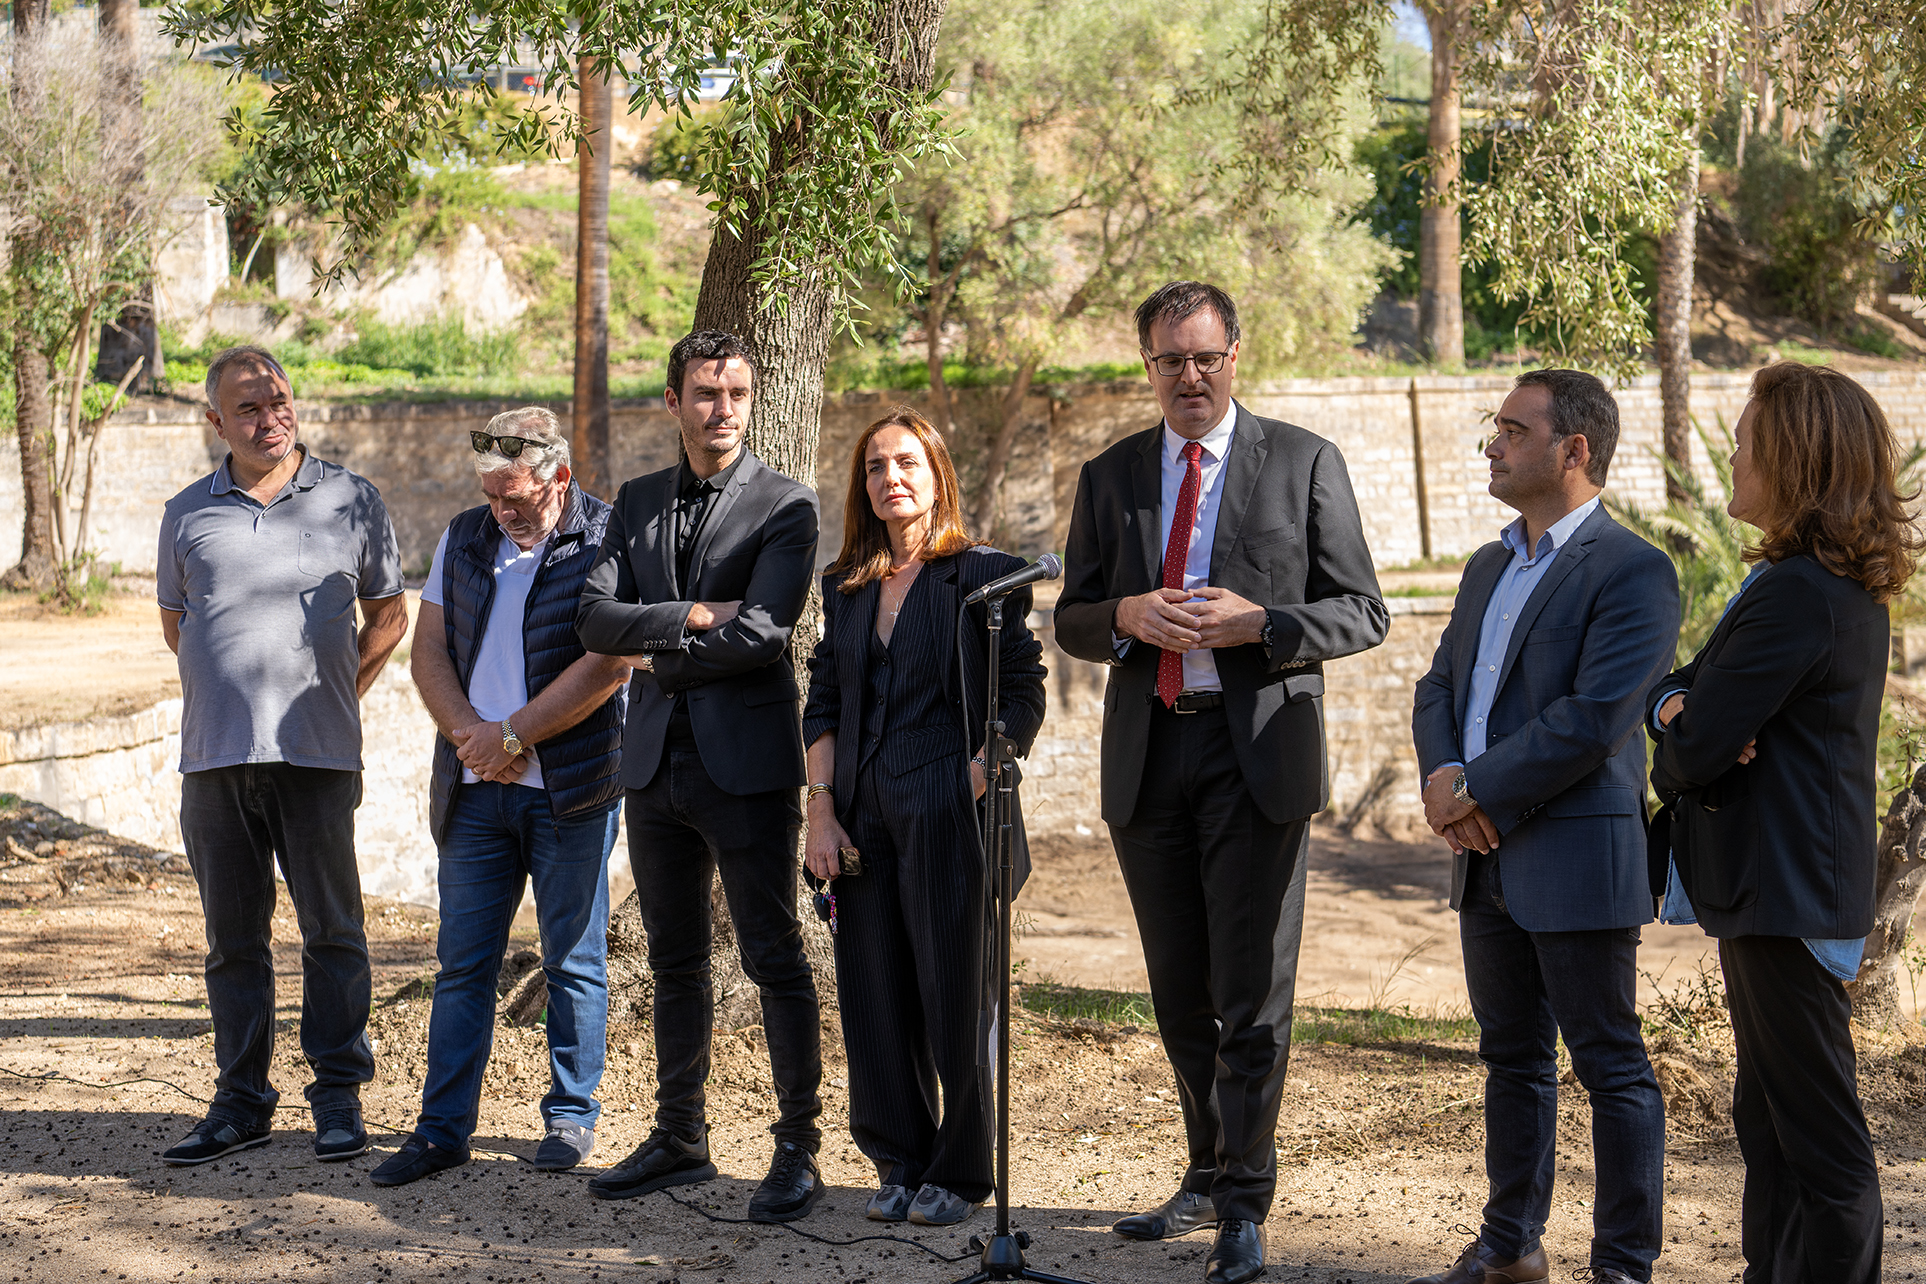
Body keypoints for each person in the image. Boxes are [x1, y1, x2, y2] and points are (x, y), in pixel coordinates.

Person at [1054, 281, 1388, 1284]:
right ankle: (1202, 1169)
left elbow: (1364, 612)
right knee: (1177, 991)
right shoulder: (1112, 475)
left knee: (1252, 994)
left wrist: (1263, 625)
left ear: (1236, 355)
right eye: (1170, 361)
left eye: (1207, 358)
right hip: (1150, 755)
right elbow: (1070, 617)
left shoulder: (1303, 461)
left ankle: (1245, 1202)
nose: (1189, 377)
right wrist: (1124, 613)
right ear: (1146, 366)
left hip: (1257, 758)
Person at [1407, 370, 1679, 1284]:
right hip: (1482, 856)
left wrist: (1474, 789)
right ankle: (1511, 1247)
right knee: (1511, 1059)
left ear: (1575, 450)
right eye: (1496, 428)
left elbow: (1595, 717)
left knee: (1610, 1063)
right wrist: (1446, 782)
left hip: (1575, 851)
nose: (1493, 444)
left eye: (1514, 431)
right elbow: (1439, 686)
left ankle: (1622, 1267)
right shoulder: (1489, 563)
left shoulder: (1635, 569)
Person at [1648, 362, 1914, 1284]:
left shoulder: (1801, 593)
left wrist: (1684, 724)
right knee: (1771, 1128)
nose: (1729, 451)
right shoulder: (1808, 586)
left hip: (1784, 891)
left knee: (1818, 1144)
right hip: (1786, 888)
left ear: (1794, 459)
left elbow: (1693, 748)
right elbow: (1681, 699)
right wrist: (1678, 710)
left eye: (1746, 439)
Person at [575, 330, 826, 1222]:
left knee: (774, 956)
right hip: (650, 768)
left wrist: (659, 654)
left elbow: (766, 631)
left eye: (736, 394)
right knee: (675, 960)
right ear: (674, 400)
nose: (722, 410)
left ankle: (799, 1147)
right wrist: (687, 615)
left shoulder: (786, 505)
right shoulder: (636, 500)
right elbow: (593, 619)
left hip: (748, 768)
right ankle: (680, 1135)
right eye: (706, 394)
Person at [155, 345, 408, 1166]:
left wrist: (331, 697)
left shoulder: (352, 498)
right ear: (214, 422)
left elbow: (389, 617)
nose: (271, 418)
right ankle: (240, 1103)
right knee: (233, 939)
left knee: (333, 931)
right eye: (250, 408)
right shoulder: (187, 513)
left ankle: (337, 1096)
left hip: (319, 756)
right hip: (215, 759)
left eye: (281, 400)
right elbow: (180, 627)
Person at [370, 408, 632, 1187]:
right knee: (462, 965)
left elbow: (609, 662)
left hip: (572, 789)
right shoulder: (465, 534)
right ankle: (442, 1129)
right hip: (476, 790)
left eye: (514, 494)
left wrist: (512, 735)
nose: (500, 509)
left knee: (574, 959)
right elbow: (427, 652)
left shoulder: (606, 535)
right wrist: (469, 738)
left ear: (558, 475)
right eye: (490, 492)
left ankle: (570, 1116)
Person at [800, 408, 1047, 1227]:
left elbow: (1021, 693)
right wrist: (822, 813)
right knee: (873, 994)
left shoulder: (986, 575)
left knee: (953, 997)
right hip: (862, 815)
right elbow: (825, 701)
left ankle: (961, 1171)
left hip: (952, 812)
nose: (889, 478)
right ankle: (898, 1158)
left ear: (937, 471)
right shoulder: (848, 585)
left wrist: (972, 780)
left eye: (905, 462)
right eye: (874, 467)